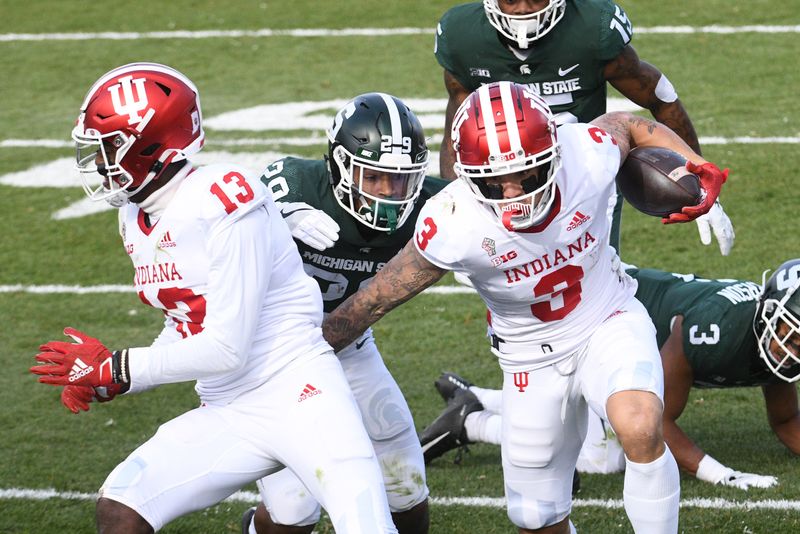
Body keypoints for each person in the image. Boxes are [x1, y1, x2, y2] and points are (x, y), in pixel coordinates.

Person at [321, 80, 730, 533]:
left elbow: (633, 126)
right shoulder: (455, 222)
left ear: (554, 154)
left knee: (638, 424)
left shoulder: (586, 154)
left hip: (606, 319)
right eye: (495, 181)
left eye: (530, 173)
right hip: (528, 357)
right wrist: (307, 352)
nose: (515, 191)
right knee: (535, 518)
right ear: (468, 176)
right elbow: (376, 298)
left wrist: (695, 174)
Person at [30, 63, 398, 534]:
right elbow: (186, 324)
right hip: (228, 406)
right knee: (122, 508)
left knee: (367, 527)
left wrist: (117, 366)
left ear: (148, 145)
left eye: (108, 148)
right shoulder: (134, 217)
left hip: (299, 392)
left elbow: (227, 345)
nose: (99, 162)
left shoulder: (225, 199)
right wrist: (117, 382)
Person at [241, 93, 445, 534]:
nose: (390, 194)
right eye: (374, 177)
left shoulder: (434, 203)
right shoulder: (294, 184)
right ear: (339, 165)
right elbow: (224, 220)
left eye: (402, 180)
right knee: (294, 509)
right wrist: (276, 216)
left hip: (347, 346)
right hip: (271, 358)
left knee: (405, 482)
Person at [423, 260, 800, 490]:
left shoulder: (772, 345)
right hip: (599, 321)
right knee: (601, 456)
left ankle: (475, 396)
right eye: (790, 333)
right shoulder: (716, 331)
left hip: (623, 328)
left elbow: (786, 420)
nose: (793, 349)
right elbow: (657, 421)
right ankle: (469, 422)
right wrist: (721, 474)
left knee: (581, 424)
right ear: (767, 313)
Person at [434, 0, 734, 255]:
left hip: (585, 175)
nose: (523, 11)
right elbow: (456, 131)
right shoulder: (464, 36)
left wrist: (697, 180)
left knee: (592, 277)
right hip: (505, 181)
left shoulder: (591, 28)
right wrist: (456, 210)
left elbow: (661, 98)